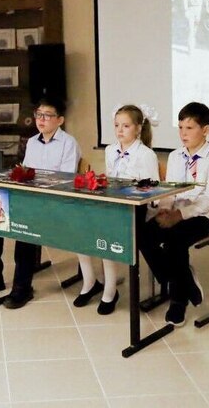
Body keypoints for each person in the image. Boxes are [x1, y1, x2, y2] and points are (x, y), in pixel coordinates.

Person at [0, 97, 81, 309]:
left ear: (60, 120)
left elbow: (66, 180)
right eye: (38, 115)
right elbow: (27, 172)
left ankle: (22, 287)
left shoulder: (69, 143)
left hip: (54, 201)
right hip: (30, 198)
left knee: (24, 224)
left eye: (47, 116)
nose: (41, 120)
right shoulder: (33, 142)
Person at [137, 102, 209, 327]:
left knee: (174, 242)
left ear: (205, 130)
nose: (183, 133)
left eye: (189, 128)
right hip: (174, 213)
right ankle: (185, 279)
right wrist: (165, 210)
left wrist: (179, 215)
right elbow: (170, 191)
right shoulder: (176, 156)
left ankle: (179, 301)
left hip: (200, 218)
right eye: (180, 128)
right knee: (142, 234)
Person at [74, 104, 158, 315]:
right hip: (113, 205)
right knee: (80, 228)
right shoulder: (111, 150)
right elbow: (110, 180)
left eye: (126, 126)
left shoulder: (146, 154)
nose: (120, 130)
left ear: (138, 128)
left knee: (105, 233)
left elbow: (152, 190)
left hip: (134, 210)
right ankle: (89, 282)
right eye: (117, 125)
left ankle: (110, 291)